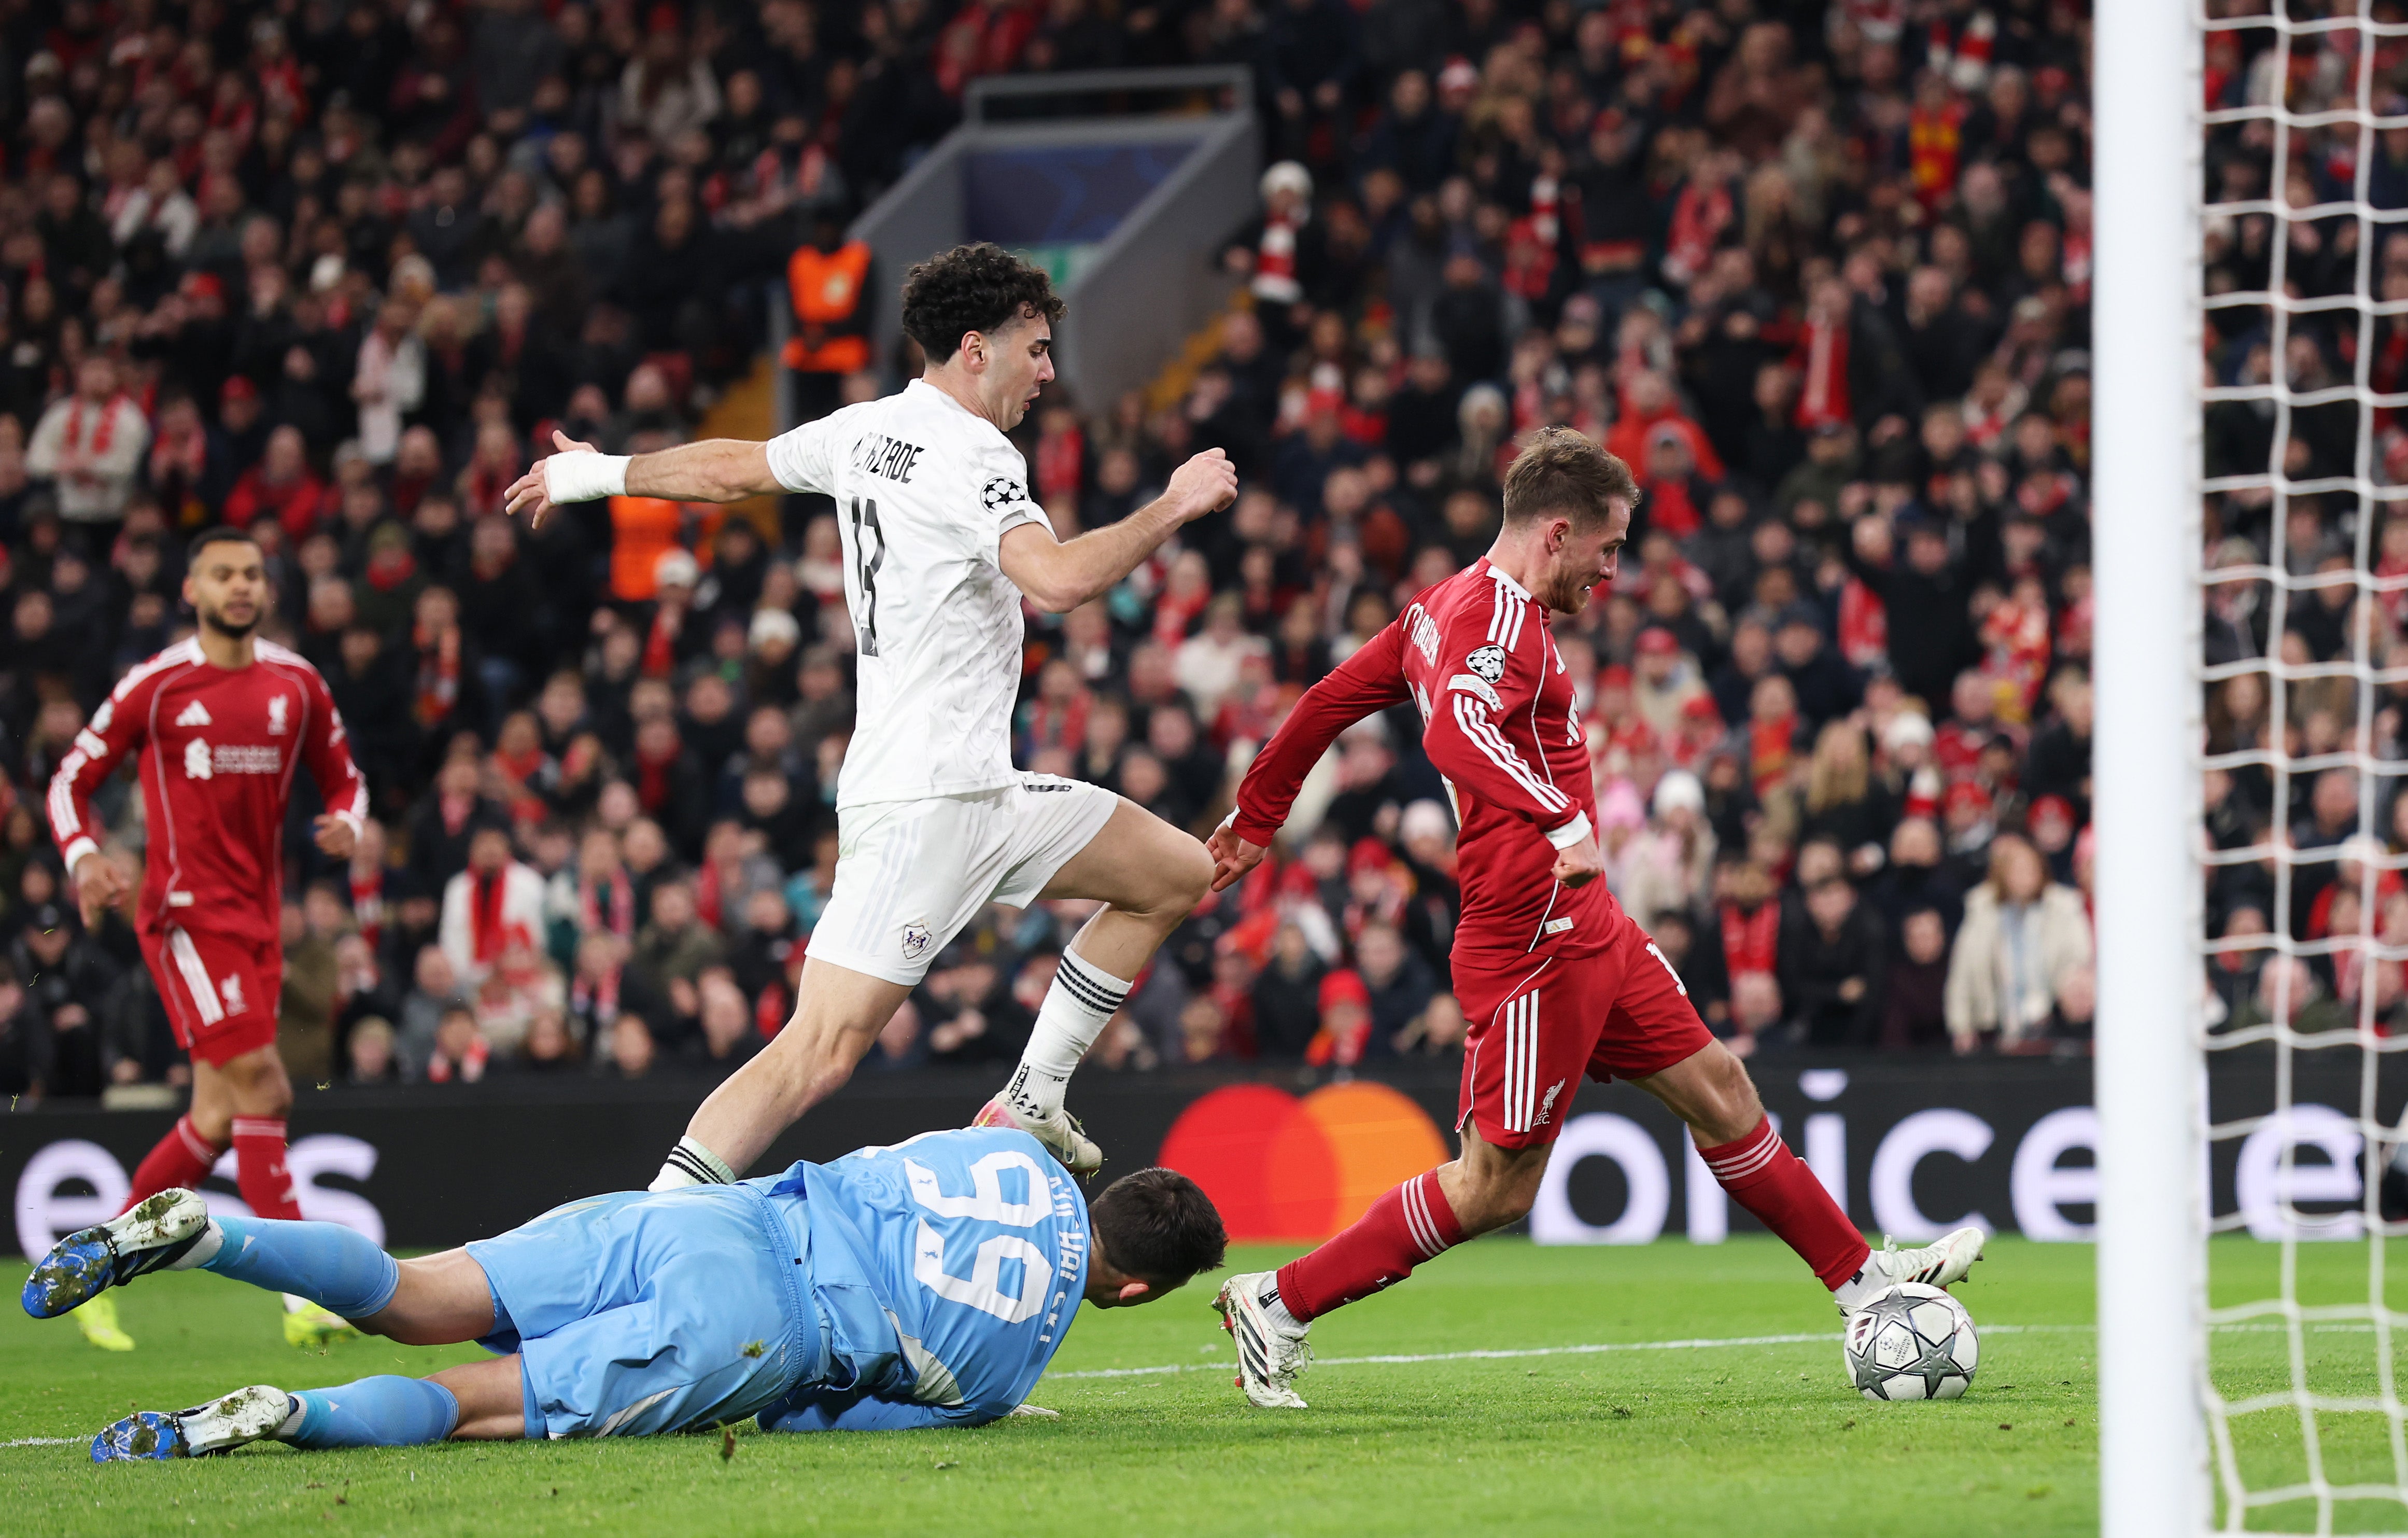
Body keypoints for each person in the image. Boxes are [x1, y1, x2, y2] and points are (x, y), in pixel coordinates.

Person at [1196, 428, 1982, 1408]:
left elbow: (1325, 700)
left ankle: (1862, 1282)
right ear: (1556, 533)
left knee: (1721, 1090)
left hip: (1588, 923)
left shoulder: (1438, 609)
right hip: (1531, 941)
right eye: (1607, 548)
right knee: (1495, 1186)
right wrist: (1561, 819)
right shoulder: (1496, 623)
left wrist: (1257, 816)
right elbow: (1456, 732)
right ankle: (1276, 1301)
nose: (1612, 570)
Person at [505, 244, 1237, 1191]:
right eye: (1036, 349)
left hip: (981, 790)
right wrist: (1173, 505)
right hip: (925, 804)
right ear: (975, 349)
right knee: (816, 1051)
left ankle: (1032, 1096)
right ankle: (655, 1224)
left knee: (1174, 871)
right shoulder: (972, 452)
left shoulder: (866, 430)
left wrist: (600, 473)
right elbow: (1057, 581)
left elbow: (735, 470)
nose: (1049, 372)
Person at [28, 1125, 1225, 1459]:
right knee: (464, 1401)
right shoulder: (1009, 1370)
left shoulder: (1010, 1148)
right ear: (1131, 1293)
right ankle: (290, 1415)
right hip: (758, 1332)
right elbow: (827, 1414)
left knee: (413, 1289)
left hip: (711, 1216)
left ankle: (210, 1232)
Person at [43, 525, 369, 1353]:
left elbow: (346, 777)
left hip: (259, 924)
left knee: (219, 1114)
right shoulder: (156, 686)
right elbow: (70, 779)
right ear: (191, 590)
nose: (240, 585)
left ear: (268, 588)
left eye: (252, 573)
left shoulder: (296, 683)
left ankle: (92, 1266)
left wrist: (349, 821)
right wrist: (84, 857)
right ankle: (306, 1296)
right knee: (267, 1087)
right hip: (184, 916)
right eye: (223, 573)